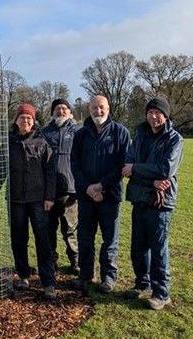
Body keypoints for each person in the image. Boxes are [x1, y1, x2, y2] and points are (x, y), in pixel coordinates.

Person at [0, 103, 57, 299]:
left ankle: (48, 282)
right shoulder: (8, 144)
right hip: (16, 200)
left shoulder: (43, 143)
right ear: (15, 121)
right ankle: (23, 275)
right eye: (21, 117)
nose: (25, 121)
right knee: (18, 239)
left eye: (29, 118)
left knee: (43, 240)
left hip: (38, 201)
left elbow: (50, 172)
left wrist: (50, 197)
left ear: (33, 121)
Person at [121, 97, 183, 310]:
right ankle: (142, 284)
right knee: (138, 248)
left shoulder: (175, 139)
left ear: (165, 116)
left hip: (160, 202)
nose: (153, 116)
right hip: (140, 198)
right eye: (150, 112)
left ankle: (161, 293)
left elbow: (165, 170)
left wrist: (137, 170)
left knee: (158, 249)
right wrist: (151, 179)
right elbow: (126, 166)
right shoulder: (139, 137)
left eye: (158, 113)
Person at [71, 95, 130, 295]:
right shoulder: (80, 135)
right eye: (95, 108)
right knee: (85, 237)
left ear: (108, 108)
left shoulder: (121, 133)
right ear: (89, 109)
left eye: (102, 107)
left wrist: (102, 186)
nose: (98, 111)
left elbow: (122, 165)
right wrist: (88, 187)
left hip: (110, 196)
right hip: (86, 196)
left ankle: (108, 278)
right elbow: (75, 165)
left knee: (110, 239)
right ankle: (85, 275)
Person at [41, 99, 81, 275]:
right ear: (52, 112)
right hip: (48, 191)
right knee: (49, 230)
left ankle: (75, 261)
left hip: (70, 190)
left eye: (65, 108)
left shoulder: (78, 132)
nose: (61, 111)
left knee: (71, 229)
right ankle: (51, 262)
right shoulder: (44, 133)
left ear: (70, 112)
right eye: (57, 108)